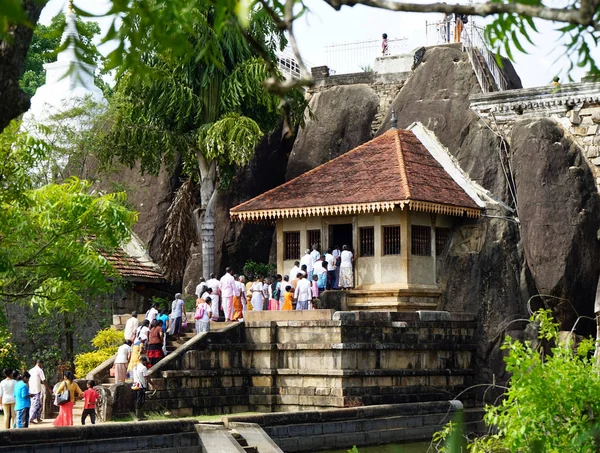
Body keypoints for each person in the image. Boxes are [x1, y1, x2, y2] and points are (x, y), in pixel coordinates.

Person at [28, 359, 52, 425]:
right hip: (36, 390)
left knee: (39, 404)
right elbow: (43, 381)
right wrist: (49, 389)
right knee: (35, 405)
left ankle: (38, 418)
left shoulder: (31, 370)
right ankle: (31, 419)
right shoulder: (39, 370)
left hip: (31, 389)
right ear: (39, 364)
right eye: (42, 365)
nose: (42, 366)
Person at [132, 356, 153, 420]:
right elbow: (146, 377)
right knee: (141, 400)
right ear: (144, 361)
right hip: (141, 386)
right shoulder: (143, 368)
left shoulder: (135, 367)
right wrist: (152, 384)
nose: (146, 363)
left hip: (136, 385)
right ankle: (139, 416)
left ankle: (140, 415)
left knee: (138, 400)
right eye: (145, 362)